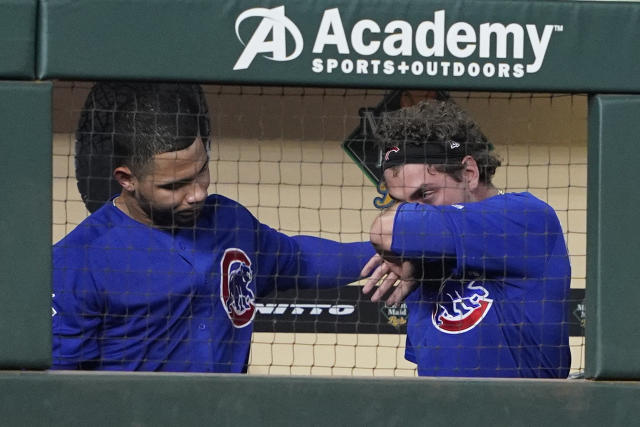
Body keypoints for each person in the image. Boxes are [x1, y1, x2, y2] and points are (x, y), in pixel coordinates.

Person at [52, 82, 374, 372]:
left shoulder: (229, 221)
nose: (197, 194)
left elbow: (300, 259)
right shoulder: (78, 260)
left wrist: (389, 250)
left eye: (201, 172)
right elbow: (56, 383)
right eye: (174, 185)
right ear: (127, 179)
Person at [361, 100, 571, 378]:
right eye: (402, 202)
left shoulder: (524, 217)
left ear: (469, 173)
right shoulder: (419, 256)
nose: (414, 210)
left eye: (424, 195)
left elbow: (384, 230)